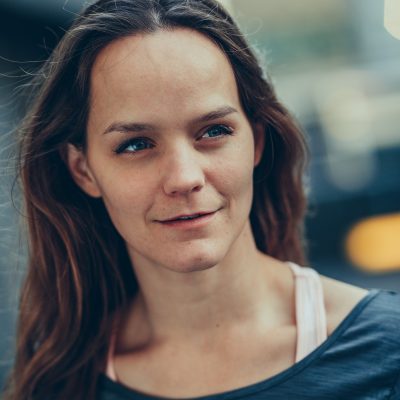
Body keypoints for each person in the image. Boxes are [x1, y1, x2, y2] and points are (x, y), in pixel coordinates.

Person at [4, 0, 400, 399]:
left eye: (213, 131)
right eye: (136, 144)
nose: (184, 178)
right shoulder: (62, 380)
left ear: (256, 141)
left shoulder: (387, 350)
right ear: (83, 170)